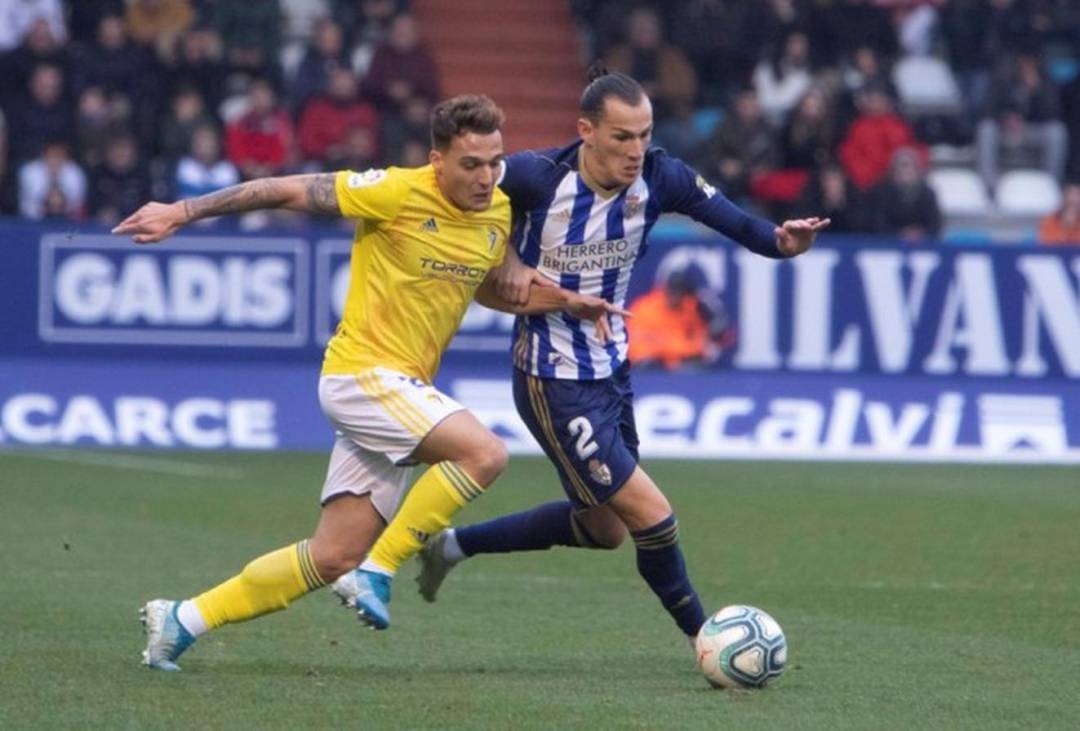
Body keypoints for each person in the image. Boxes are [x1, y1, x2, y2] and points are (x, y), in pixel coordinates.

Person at [113, 94, 625, 670]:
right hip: (362, 374)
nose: (486, 178)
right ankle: (380, 569)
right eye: (471, 165)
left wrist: (564, 303)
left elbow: (485, 287)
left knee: (331, 555)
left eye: (494, 163)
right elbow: (285, 189)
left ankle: (181, 620)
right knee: (483, 453)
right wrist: (182, 212)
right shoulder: (395, 191)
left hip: (399, 391)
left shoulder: (496, 213)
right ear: (437, 161)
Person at [347, 69, 828, 645]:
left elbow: (735, 220)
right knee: (654, 517)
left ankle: (452, 545)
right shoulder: (532, 177)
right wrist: (502, 261)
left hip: (612, 373)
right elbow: (459, 206)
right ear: (586, 132)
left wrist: (781, 242)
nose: (636, 150)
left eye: (644, 134)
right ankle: (710, 641)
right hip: (552, 378)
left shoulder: (661, 176)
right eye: (622, 137)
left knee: (605, 530)